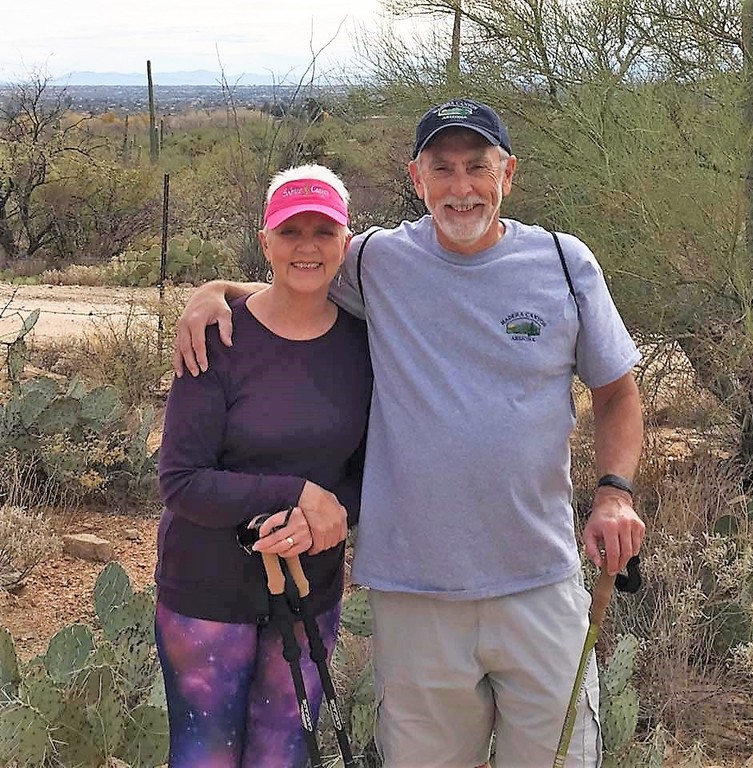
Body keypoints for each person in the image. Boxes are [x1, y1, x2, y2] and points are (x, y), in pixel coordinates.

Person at [173, 99, 646, 768]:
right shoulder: (376, 262)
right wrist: (214, 289)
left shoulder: (566, 266)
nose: (461, 188)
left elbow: (617, 392)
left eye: (477, 167)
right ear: (415, 178)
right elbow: (296, 275)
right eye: (441, 169)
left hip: (539, 582)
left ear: (507, 173)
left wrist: (614, 494)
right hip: (414, 595)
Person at [154, 164, 373, 768]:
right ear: (265, 241)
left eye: (323, 232)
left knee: (283, 754)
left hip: (310, 590)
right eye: (290, 231)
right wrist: (298, 493)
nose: (307, 247)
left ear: (346, 242)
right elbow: (181, 482)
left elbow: (369, 470)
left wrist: (331, 515)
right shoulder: (217, 336)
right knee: (205, 755)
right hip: (206, 592)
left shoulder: (363, 345)